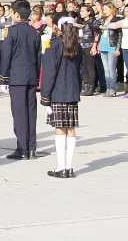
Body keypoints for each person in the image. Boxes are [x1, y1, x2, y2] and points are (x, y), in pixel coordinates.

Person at [0, 0, 41, 160]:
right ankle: (31, 147)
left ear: (16, 15)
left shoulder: (12, 32)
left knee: (19, 113)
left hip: (16, 78)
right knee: (31, 112)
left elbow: (6, 56)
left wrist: (4, 78)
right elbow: (38, 57)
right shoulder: (34, 32)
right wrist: (37, 77)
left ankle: (22, 148)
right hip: (31, 76)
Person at [40, 22, 83, 178]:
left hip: (58, 91)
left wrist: (45, 97)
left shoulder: (56, 44)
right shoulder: (77, 45)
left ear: (59, 28)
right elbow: (80, 71)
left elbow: (49, 72)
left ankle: (61, 167)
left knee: (60, 129)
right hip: (72, 91)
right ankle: (69, 167)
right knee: (71, 129)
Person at [96, 2, 122, 96]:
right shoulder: (103, 20)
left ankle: (112, 89)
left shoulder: (116, 20)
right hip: (103, 45)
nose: (104, 11)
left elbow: (119, 35)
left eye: (106, 9)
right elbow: (99, 32)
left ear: (111, 9)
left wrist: (118, 48)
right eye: (104, 9)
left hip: (112, 45)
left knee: (111, 68)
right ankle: (108, 88)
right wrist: (98, 44)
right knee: (106, 69)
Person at [75, 4, 100, 96]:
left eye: (83, 11)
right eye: (80, 11)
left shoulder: (93, 21)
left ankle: (91, 87)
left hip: (90, 46)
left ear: (89, 12)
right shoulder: (81, 22)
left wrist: (94, 46)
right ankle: (85, 85)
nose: (81, 13)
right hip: (81, 46)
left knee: (90, 67)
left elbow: (97, 34)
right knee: (83, 67)